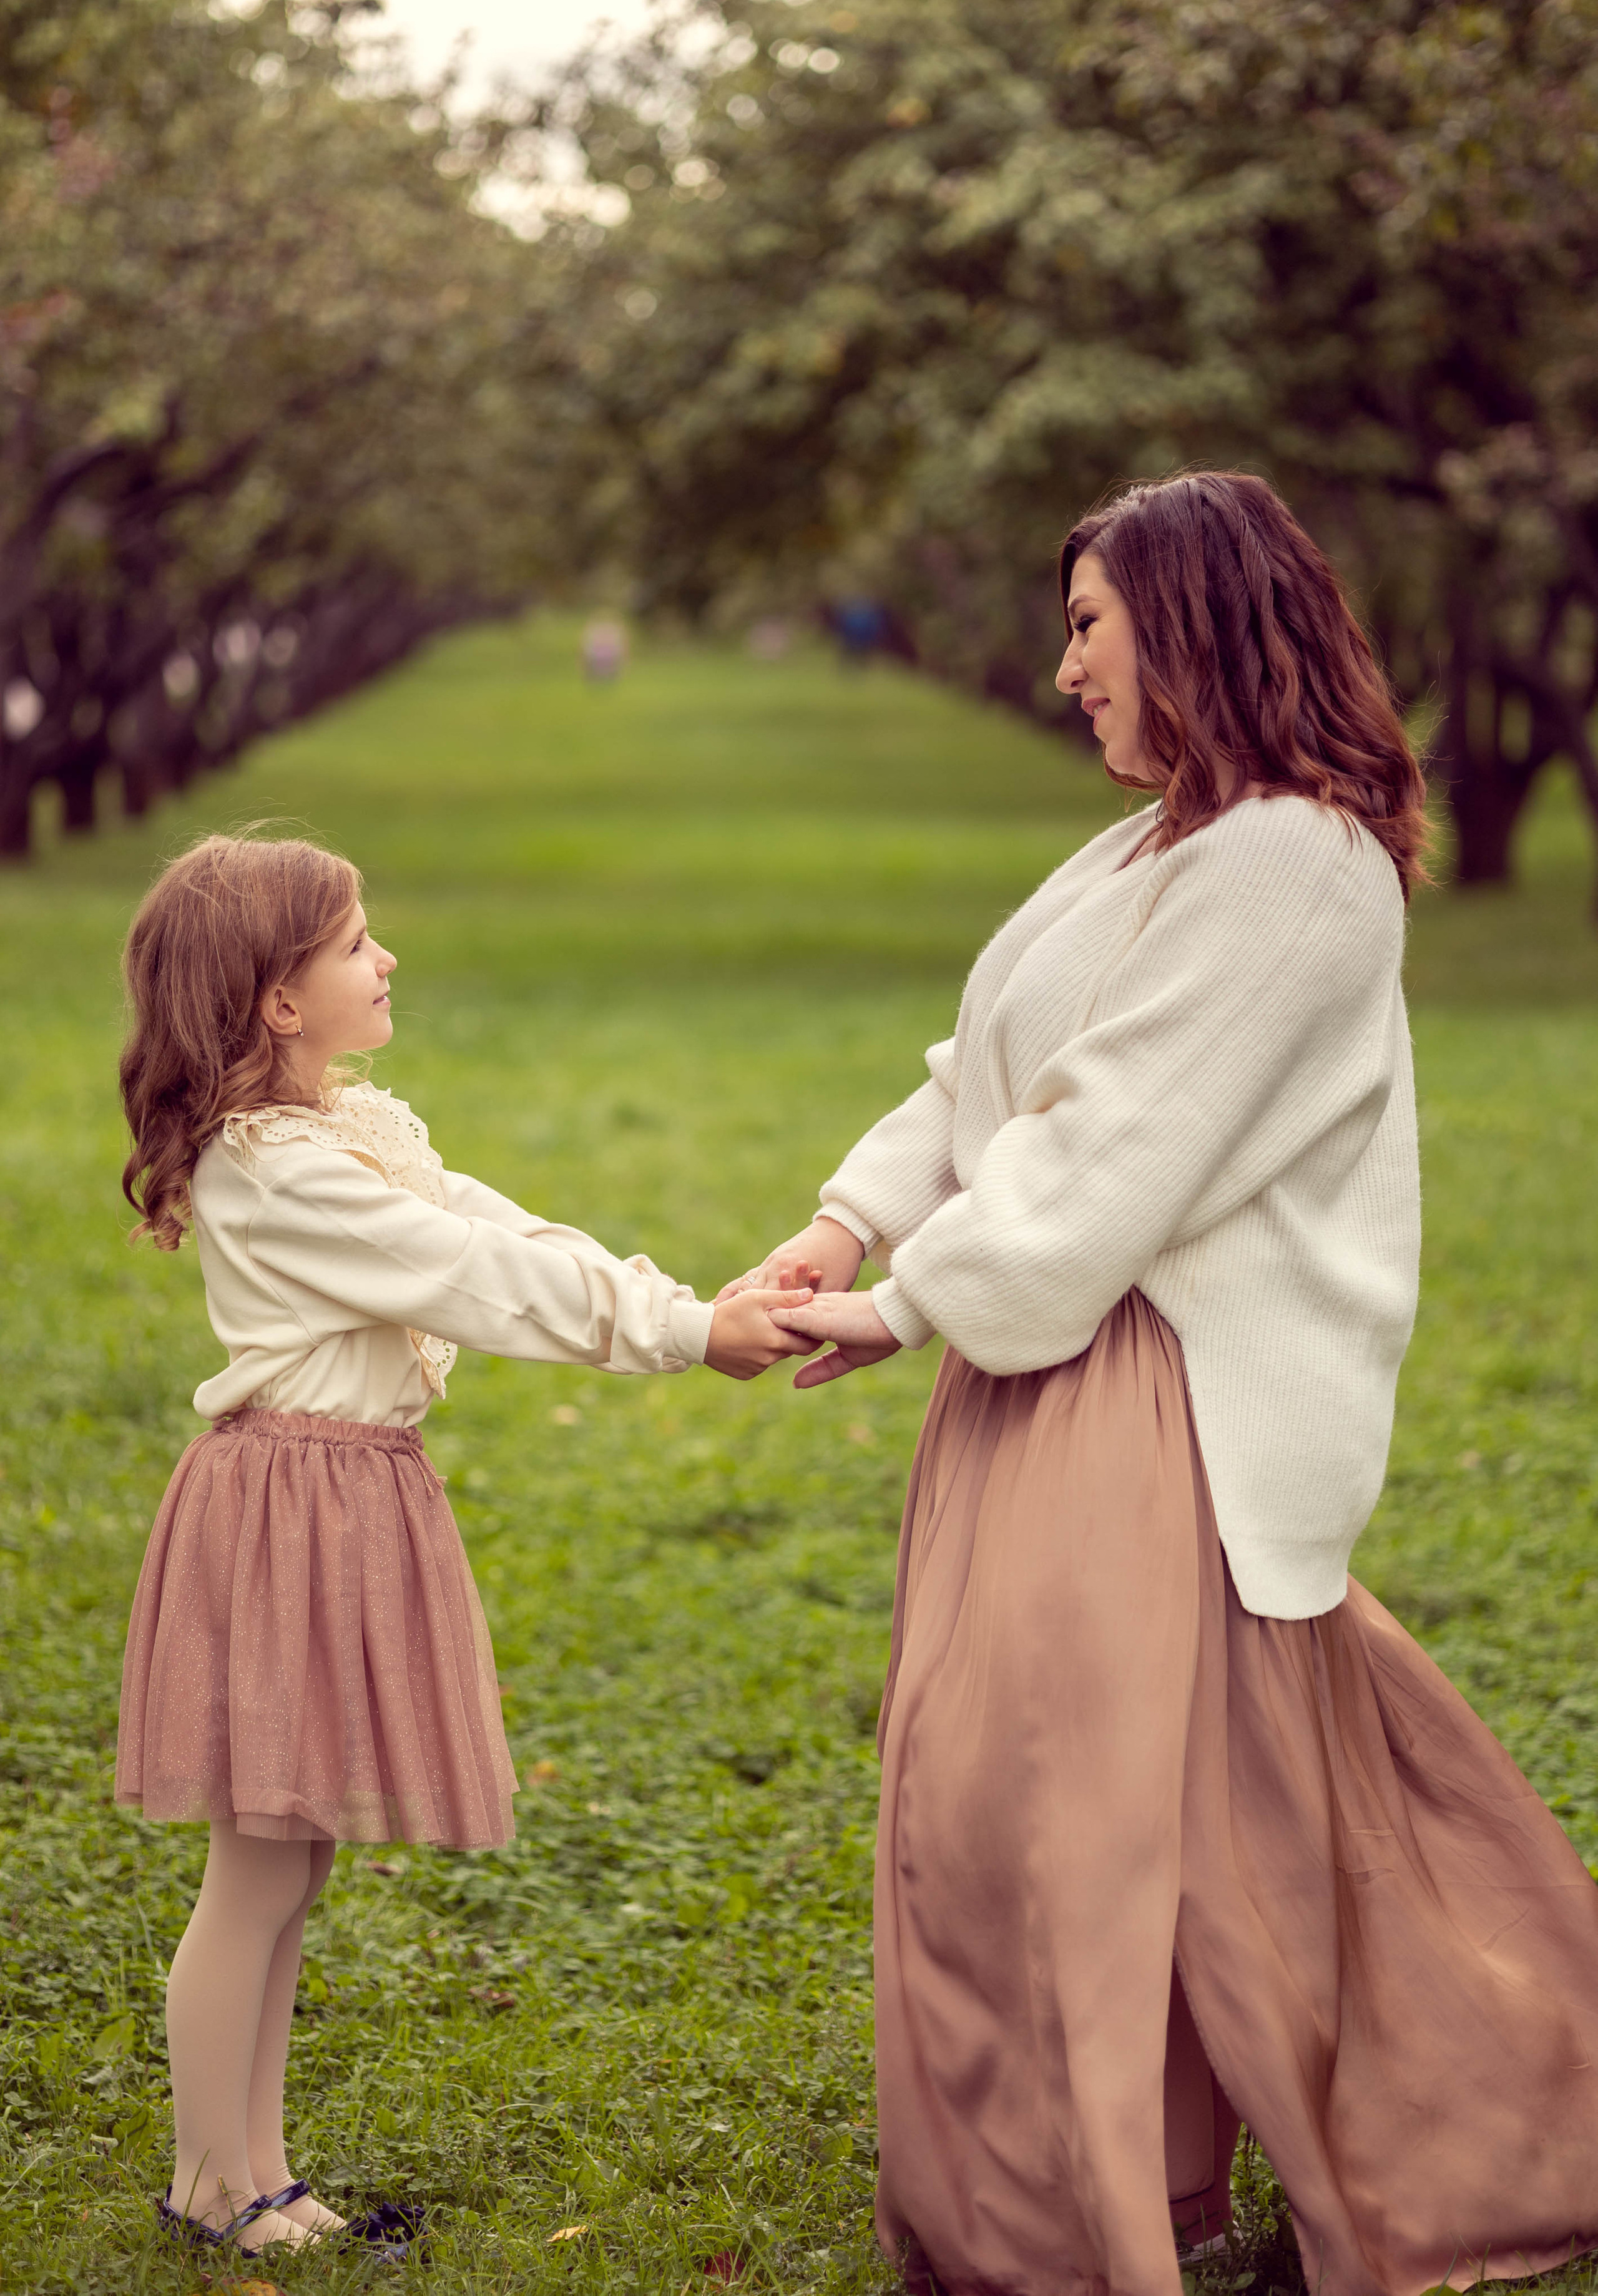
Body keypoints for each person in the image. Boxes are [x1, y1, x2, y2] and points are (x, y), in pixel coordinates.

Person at [731, 471, 1598, 2296]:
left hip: (1151, 1390)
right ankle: (1140, 2200)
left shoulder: (1295, 863)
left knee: (1080, 1813)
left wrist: (906, 1310)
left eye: (1088, 629)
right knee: (1125, 1803)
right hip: (1051, 1373)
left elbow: (1120, 1143)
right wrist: (843, 1224)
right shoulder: (1154, 852)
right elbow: (994, 1072)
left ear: (1194, 624)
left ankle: (1227, 2186)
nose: (1065, 672)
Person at [114, 831, 811, 2262]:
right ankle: (209, 2182)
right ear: (276, 1002)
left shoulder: (350, 1131)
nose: (387, 958)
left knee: (287, 1864)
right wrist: (683, 1336)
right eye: (356, 941)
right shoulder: (280, 1171)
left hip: (342, 1499)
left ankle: (257, 2170)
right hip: (287, 1514)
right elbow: (470, 1277)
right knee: (253, 1871)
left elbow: (494, 1225)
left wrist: (671, 1301)